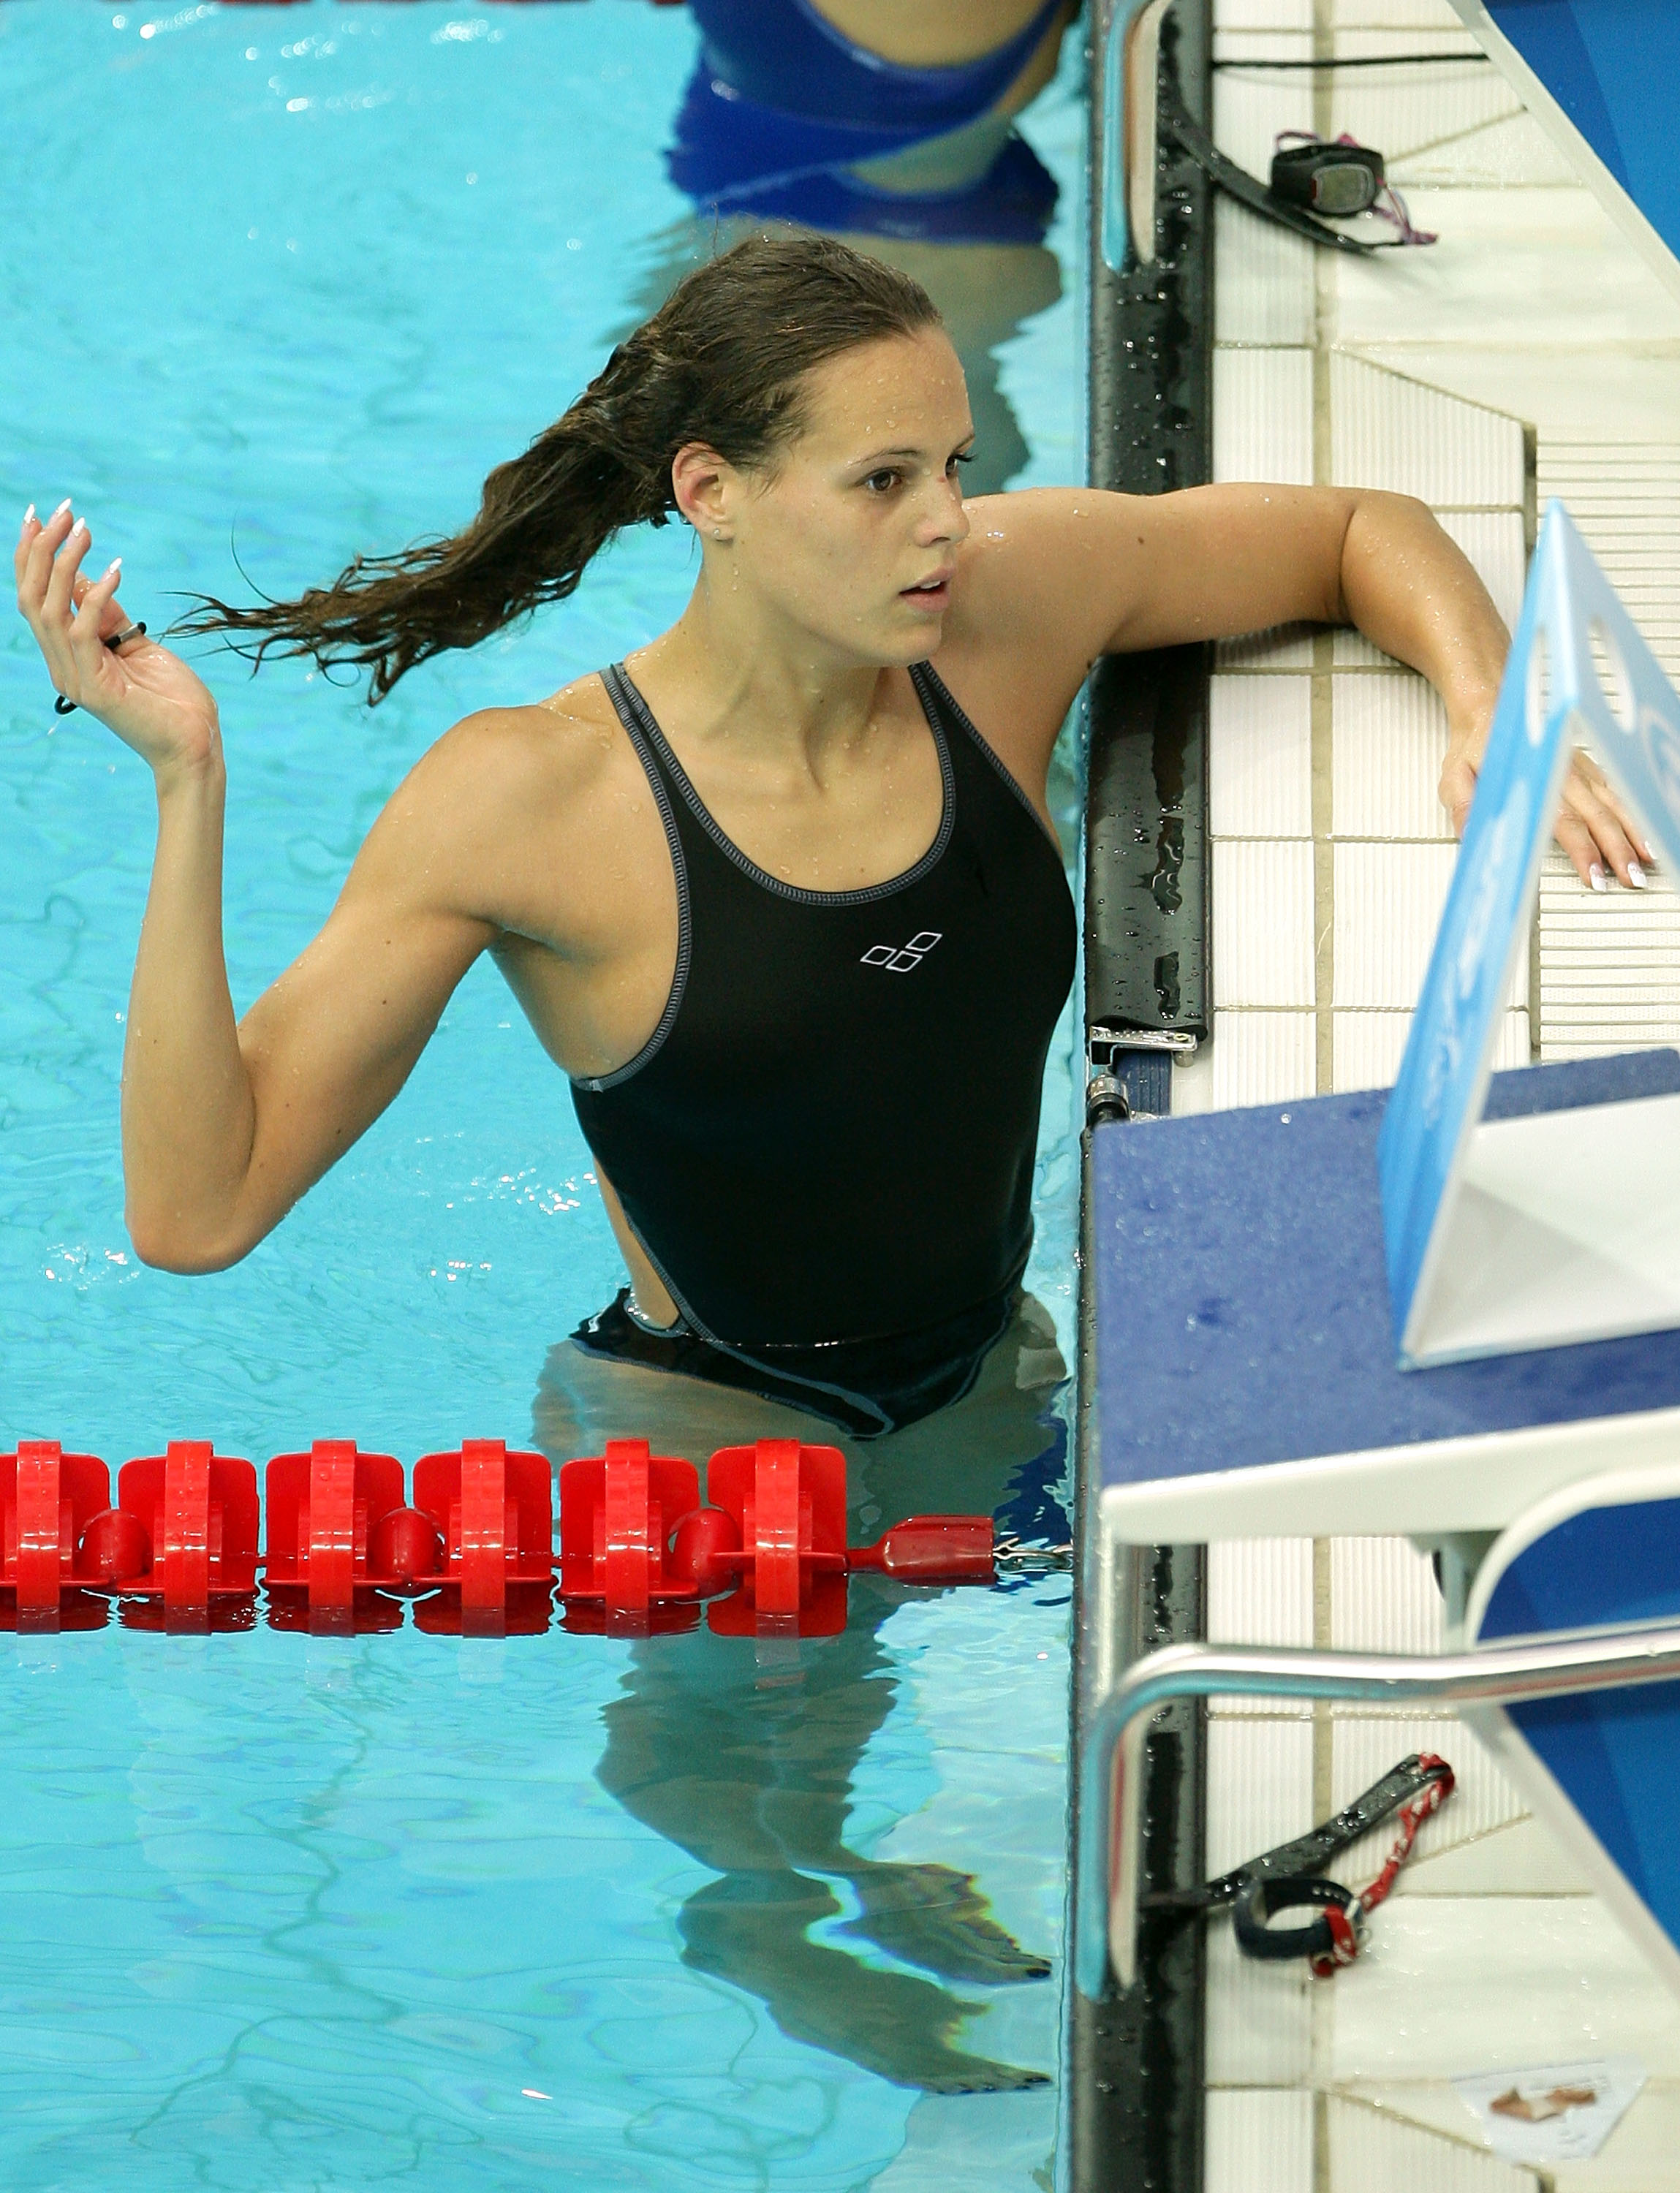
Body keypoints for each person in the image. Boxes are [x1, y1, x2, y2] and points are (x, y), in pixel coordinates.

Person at [12, 232, 1646, 2092]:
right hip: (707, 1422)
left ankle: (841, 1880)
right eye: (883, 481)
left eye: (951, 463)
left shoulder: (999, 618)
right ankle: (769, 1922)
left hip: (982, 1358)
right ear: (712, 495)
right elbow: (194, 1209)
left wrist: (1494, 706)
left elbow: (1357, 528)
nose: (945, 521)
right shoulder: (534, 798)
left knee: (957, 1675)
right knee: (723, 1766)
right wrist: (186, 781)